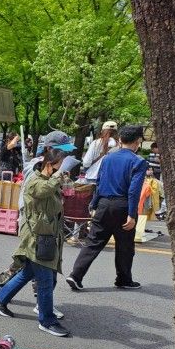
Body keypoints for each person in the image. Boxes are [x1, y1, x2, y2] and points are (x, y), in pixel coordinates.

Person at [0, 148, 73, 337]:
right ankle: (47, 320)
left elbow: (63, 194)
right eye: (60, 165)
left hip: (47, 234)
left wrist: (65, 181)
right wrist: (57, 178)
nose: (62, 169)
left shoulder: (51, 180)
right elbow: (42, 192)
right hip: (37, 236)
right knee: (45, 280)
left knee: (29, 272)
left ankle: (0, 299)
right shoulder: (35, 180)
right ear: (50, 165)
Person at [67, 125, 149, 291]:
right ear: (137, 142)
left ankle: (76, 275)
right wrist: (132, 214)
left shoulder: (108, 159)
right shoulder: (138, 162)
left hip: (104, 203)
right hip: (123, 205)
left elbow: (99, 182)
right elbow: (133, 191)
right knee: (125, 245)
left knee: (93, 241)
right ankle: (123, 279)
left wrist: (94, 204)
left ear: (119, 140)